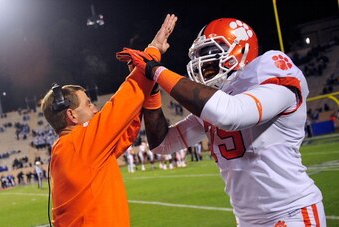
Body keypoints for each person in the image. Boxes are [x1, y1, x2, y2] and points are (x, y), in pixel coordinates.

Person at [117, 17, 326, 226]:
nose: (203, 62)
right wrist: (152, 90)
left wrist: (155, 70)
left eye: (210, 53)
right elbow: (163, 144)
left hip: (292, 213)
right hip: (247, 220)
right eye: (199, 55)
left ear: (241, 50)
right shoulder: (219, 100)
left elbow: (232, 115)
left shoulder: (270, 73)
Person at [41, 14, 177, 227]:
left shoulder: (70, 149)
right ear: (71, 115)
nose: (95, 109)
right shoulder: (78, 146)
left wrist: (148, 87)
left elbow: (126, 133)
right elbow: (123, 102)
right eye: (88, 104)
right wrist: (153, 51)